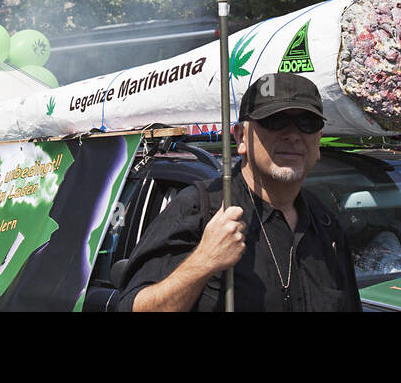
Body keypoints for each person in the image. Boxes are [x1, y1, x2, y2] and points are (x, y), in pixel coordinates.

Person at [117, 73, 361, 311]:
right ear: (241, 137)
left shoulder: (326, 226)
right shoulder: (200, 209)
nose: (293, 135)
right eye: (275, 121)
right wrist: (204, 261)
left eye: (307, 123)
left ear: (318, 142)